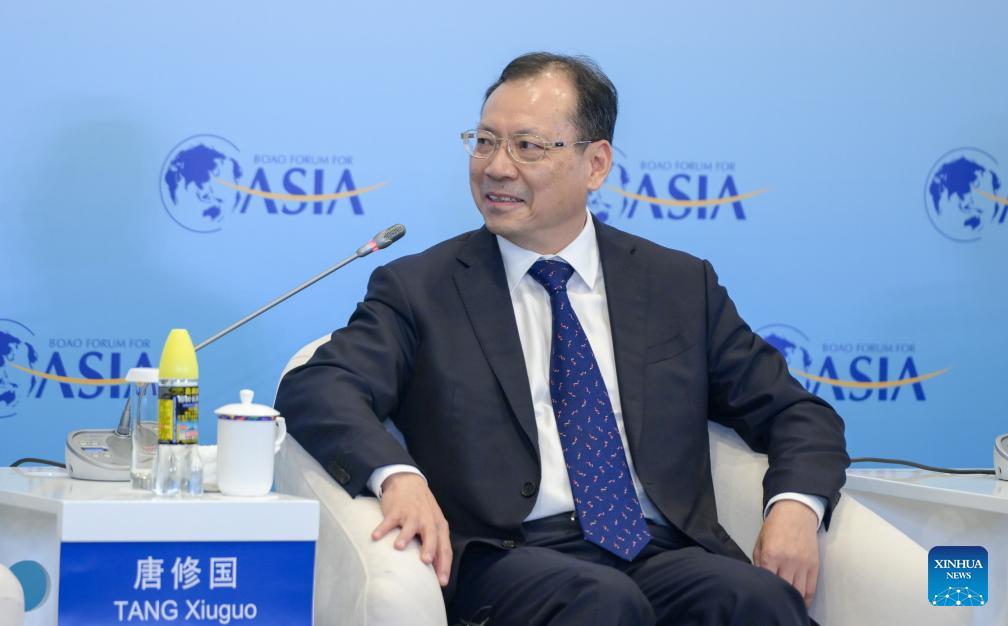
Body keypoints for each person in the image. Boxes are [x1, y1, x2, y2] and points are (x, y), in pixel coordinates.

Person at [275, 52, 849, 626]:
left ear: (595, 164)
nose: (496, 167)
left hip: (661, 553)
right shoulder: (421, 288)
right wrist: (397, 476)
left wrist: (795, 506)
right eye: (484, 142)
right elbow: (319, 386)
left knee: (755, 598)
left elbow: (794, 412)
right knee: (601, 601)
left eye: (526, 146)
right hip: (508, 559)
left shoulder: (677, 284)